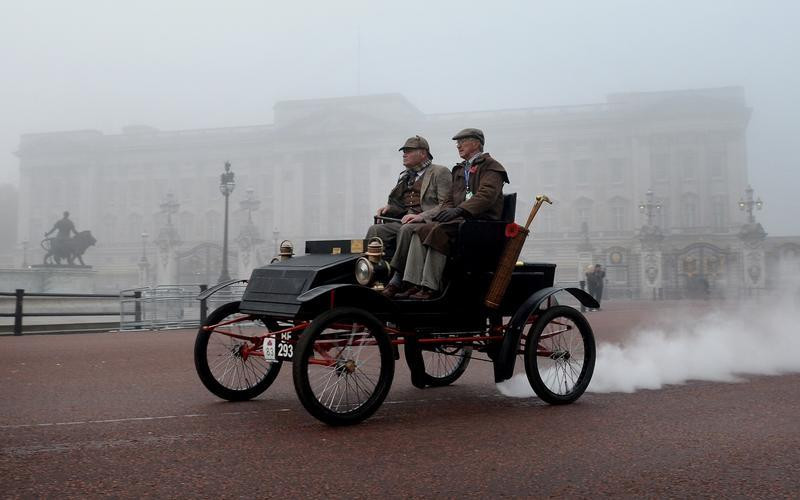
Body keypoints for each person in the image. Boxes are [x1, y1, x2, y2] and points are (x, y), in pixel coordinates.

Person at [394, 128, 509, 300]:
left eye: (462, 142)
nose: (458, 146)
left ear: (476, 143)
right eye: (457, 143)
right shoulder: (460, 169)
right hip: (460, 220)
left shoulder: (491, 166)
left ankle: (429, 286)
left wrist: (460, 210)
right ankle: (413, 283)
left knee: (438, 232)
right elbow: (449, 199)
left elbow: (486, 196)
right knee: (420, 230)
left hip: (481, 222)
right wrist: (447, 211)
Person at [365, 136, 451, 297]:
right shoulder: (405, 176)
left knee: (406, 230)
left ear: (423, 153)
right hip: (406, 220)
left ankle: (397, 280)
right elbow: (402, 206)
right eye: (404, 151)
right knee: (376, 230)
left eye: (409, 151)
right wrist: (389, 209)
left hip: (428, 223)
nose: (404, 154)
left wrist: (422, 216)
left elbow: (445, 204)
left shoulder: (440, 172)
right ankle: (370, 275)